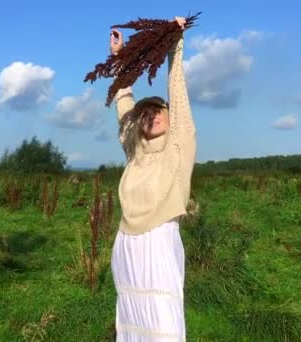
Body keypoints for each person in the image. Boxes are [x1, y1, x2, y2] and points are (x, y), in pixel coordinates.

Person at [109, 16, 196, 341]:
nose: (152, 115)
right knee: (131, 320)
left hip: (159, 240)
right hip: (126, 244)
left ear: (171, 115)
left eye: (159, 109)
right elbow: (124, 104)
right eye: (146, 113)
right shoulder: (136, 149)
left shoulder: (180, 142)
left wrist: (175, 42)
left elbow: (177, 87)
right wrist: (119, 58)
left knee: (164, 326)